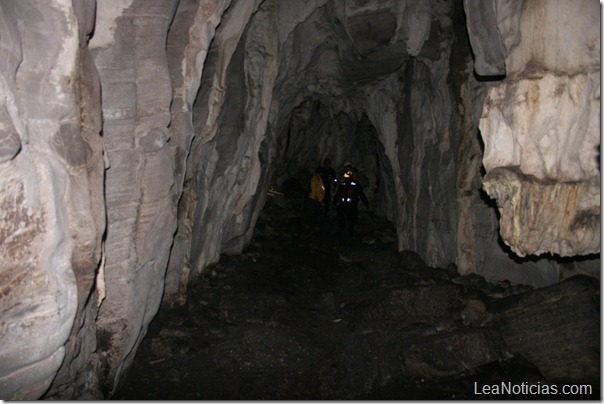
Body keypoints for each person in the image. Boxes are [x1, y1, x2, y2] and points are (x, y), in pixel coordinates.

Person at [332, 162, 369, 237]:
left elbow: (361, 194)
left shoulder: (355, 184)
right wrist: (334, 202)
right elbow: (339, 193)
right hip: (343, 203)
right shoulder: (343, 184)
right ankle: (342, 232)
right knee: (341, 217)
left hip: (351, 204)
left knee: (351, 219)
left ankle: (350, 234)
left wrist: (366, 202)